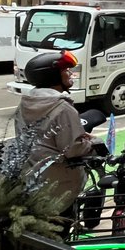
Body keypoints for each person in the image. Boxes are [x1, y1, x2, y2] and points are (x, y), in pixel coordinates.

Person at [14, 50, 95, 211]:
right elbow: (73, 149)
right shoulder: (63, 108)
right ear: (52, 76)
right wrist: (92, 143)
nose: (70, 74)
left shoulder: (24, 105)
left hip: (33, 180)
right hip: (61, 186)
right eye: (65, 70)